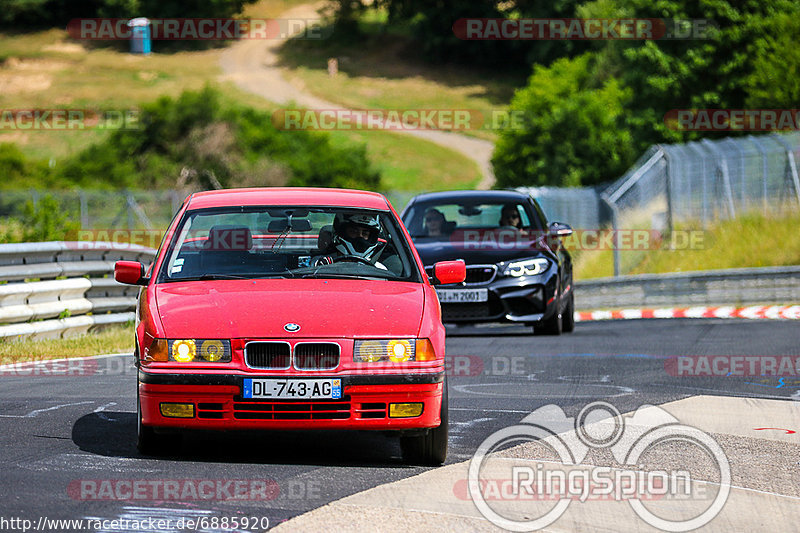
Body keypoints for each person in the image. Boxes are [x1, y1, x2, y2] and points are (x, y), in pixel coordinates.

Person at [313, 213, 399, 272]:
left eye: (365, 233)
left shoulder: (380, 269)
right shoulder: (320, 265)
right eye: (353, 231)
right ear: (341, 233)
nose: (360, 237)